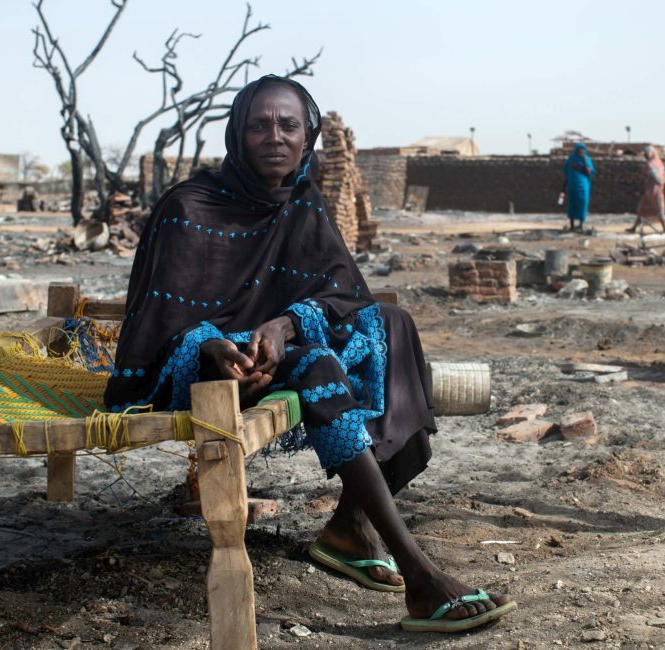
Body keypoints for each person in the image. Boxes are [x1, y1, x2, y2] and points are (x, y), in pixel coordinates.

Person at [104, 75, 515, 633]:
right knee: (320, 365)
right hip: (206, 369)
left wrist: (286, 323)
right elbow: (159, 326)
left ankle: (348, 528)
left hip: (281, 352)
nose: (274, 135)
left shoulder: (303, 203)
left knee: (391, 325)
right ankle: (420, 577)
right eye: (259, 125)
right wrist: (215, 347)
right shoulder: (188, 206)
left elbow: (343, 295)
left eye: (288, 125)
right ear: (237, 135)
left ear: (308, 137)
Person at [626, 145, 665, 234]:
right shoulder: (659, 163)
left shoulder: (650, 164)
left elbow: (653, 176)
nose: (646, 155)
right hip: (654, 189)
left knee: (657, 209)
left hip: (652, 189)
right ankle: (634, 227)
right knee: (642, 208)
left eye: (647, 153)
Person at [563, 142, 595, 232]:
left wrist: (584, 161)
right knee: (572, 203)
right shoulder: (571, 159)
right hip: (573, 185)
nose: (581, 152)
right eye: (579, 150)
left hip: (583, 185)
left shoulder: (587, 160)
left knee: (583, 202)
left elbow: (589, 172)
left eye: (583, 150)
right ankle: (572, 225)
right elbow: (566, 170)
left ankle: (581, 224)